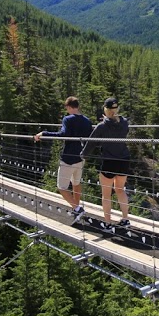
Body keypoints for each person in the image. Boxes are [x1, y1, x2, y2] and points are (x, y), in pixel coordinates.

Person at [34, 96, 93, 219]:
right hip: (81, 158)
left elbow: (63, 134)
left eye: (66, 108)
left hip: (68, 158)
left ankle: (77, 209)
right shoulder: (87, 121)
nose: (66, 110)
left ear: (70, 107)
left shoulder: (68, 119)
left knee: (61, 187)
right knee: (76, 183)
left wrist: (44, 133)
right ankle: (76, 208)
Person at [81, 97, 132, 229]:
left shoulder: (102, 126)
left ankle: (108, 223)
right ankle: (125, 219)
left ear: (105, 109)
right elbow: (123, 130)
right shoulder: (124, 122)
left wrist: (83, 155)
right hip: (124, 160)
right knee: (120, 190)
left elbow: (91, 142)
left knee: (106, 194)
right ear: (117, 109)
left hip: (109, 161)